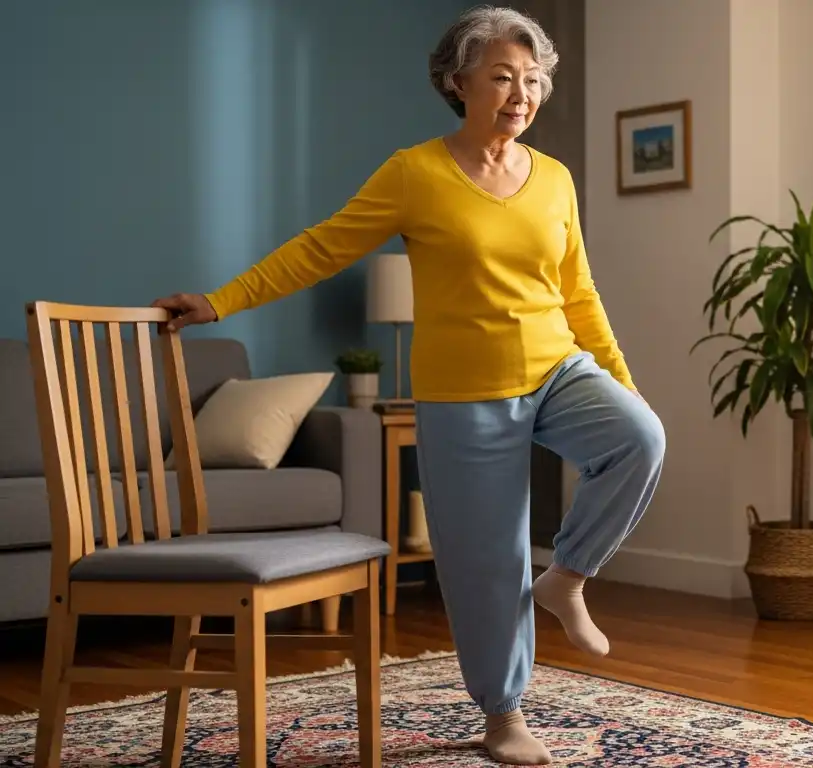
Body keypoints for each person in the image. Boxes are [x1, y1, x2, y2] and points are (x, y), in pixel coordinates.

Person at [151, 6, 666, 765]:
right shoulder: (414, 173)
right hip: (464, 393)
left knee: (640, 437)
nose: (520, 93)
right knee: (488, 562)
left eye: (533, 80)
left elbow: (579, 291)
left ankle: (567, 578)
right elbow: (320, 248)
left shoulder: (553, 179)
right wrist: (222, 300)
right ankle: (504, 716)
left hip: (559, 366)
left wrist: (624, 386)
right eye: (501, 77)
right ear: (458, 83)